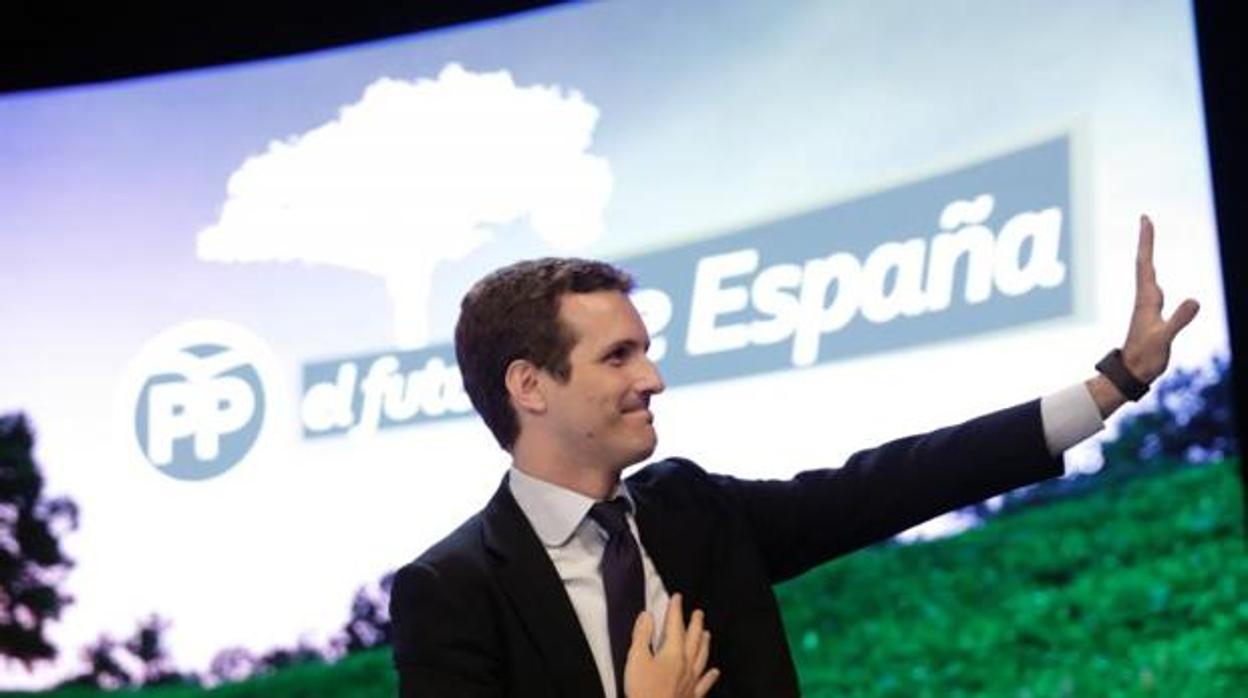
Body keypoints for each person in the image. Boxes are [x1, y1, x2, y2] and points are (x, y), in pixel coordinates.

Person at [388, 216, 1198, 697]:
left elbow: (891, 484)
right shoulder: (452, 591)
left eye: (646, 351)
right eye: (618, 357)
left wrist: (1111, 385)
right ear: (530, 384)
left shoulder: (692, 509)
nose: (653, 379)